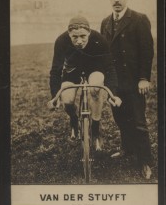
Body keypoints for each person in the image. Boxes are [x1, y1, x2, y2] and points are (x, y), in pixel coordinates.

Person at [100, 0, 154, 179]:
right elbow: (103, 54)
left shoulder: (139, 19)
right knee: (120, 118)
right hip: (114, 83)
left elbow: (147, 51)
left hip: (133, 81)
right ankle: (127, 149)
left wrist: (143, 78)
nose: (117, 0)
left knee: (139, 122)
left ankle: (145, 162)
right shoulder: (105, 22)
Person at [48, 16, 121, 150]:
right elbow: (55, 70)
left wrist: (113, 93)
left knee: (96, 88)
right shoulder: (61, 41)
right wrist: (54, 96)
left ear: (89, 33)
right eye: (74, 37)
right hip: (73, 71)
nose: (79, 41)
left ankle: (96, 129)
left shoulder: (99, 39)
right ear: (69, 34)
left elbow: (110, 68)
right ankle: (74, 119)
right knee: (67, 99)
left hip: (94, 68)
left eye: (83, 36)